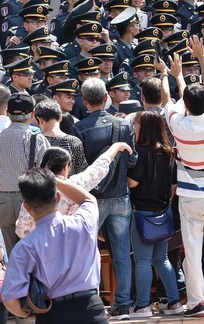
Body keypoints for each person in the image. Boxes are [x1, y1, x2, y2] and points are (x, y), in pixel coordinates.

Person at [160, 36, 204, 317]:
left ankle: (198, 302)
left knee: (193, 252)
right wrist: (202, 59)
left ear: (187, 104)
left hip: (190, 198)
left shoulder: (179, 124)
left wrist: (173, 75)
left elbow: (169, 100)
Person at [2, 168, 127, 323]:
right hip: (91, 308)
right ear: (59, 197)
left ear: (26, 207)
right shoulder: (83, 223)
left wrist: (32, 315)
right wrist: (56, 181)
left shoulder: (25, 247)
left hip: (52, 313)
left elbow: (10, 298)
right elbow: (88, 199)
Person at [72, 78, 137, 320]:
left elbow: (80, 168)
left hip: (92, 199)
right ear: (106, 98)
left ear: (85, 101)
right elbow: (132, 160)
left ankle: (91, 301)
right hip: (121, 196)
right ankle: (122, 304)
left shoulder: (79, 128)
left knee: (86, 252)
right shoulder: (123, 125)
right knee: (121, 253)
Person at [127, 111, 183, 317]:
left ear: (145, 128)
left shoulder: (140, 153)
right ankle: (174, 302)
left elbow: (133, 182)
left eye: (137, 123)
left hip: (142, 213)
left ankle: (142, 305)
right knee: (162, 259)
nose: (135, 127)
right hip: (163, 212)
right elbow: (173, 185)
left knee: (142, 260)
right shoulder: (169, 152)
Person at [16, 142, 131, 238]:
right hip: (68, 244)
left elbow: (21, 229)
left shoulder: (33, 188)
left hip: (38, 246)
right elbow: (98, 168)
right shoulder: (76, 184)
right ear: (66, 166)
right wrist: (116, 147)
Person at [0, 93, 50, 255]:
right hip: (28, 199)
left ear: (7, 112)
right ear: (33, 114)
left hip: (3, 201)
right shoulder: (37, 139)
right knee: (31, 251)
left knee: (11, 251)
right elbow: (47, 171)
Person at [33, 99, 88, 175]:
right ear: (60, 117)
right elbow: (82, 172)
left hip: (41, 186)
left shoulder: (33, 141)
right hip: (67, 185)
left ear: (39, 119)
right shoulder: (74, 141)